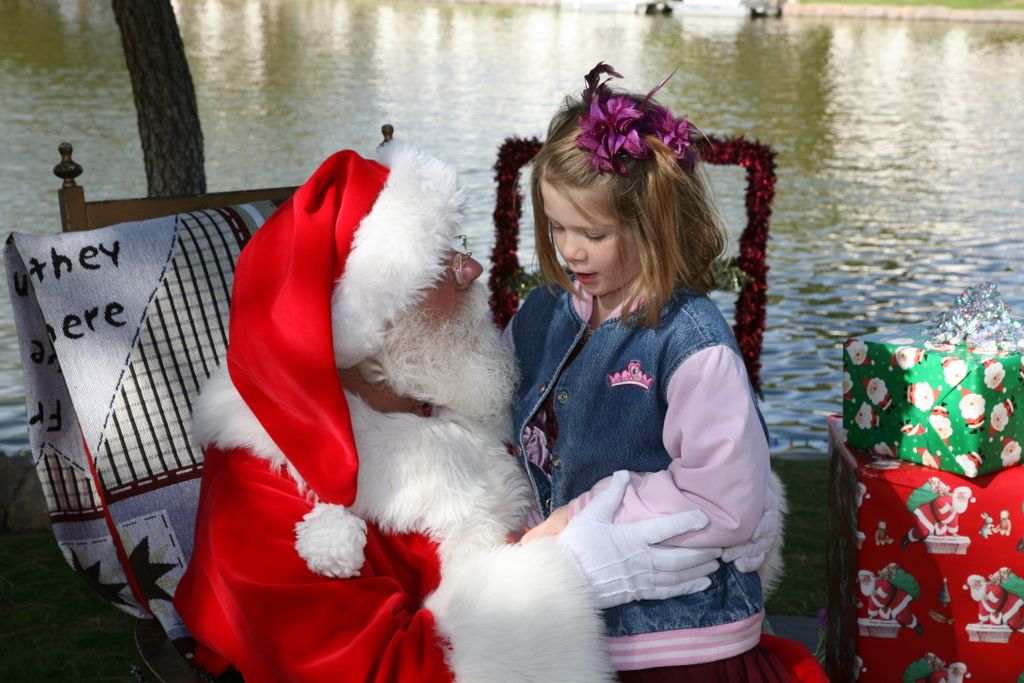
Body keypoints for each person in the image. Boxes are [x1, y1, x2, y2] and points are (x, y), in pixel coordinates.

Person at [172, 141, 726, 683]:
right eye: (443, 261)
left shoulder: (454, 395)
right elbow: (381, 670)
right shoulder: (262, 487)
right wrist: (564, 575)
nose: (474, 269)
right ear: (372, 319)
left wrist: (699, 501)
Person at [505, 63, 823, 682]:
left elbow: (723, 495)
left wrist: (578, 522)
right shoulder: (542, 312)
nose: (569, 250)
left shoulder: (689, 338)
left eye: (593, 233)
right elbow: (507, 429)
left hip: (676, 642)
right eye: (556, 225)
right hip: (565, 628)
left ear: (651, 225)